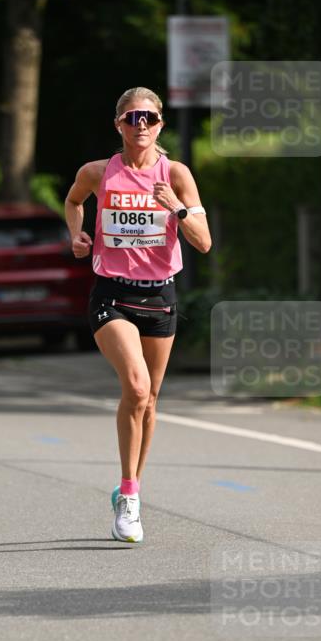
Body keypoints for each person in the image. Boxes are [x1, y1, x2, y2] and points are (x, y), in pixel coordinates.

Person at [65, 86, 211, 543]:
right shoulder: (97, 172)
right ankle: (128, 503)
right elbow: (73, 202)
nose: (141, 125)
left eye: (149, 118)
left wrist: (178, 207)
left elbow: (203, 241)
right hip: (112, 294)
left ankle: (131, 487)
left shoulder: (177, 174)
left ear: (161, 124)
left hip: (161, 297)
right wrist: (77, 235)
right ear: (119, 126)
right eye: (132, 118)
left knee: (149, 401)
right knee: (136, 385)